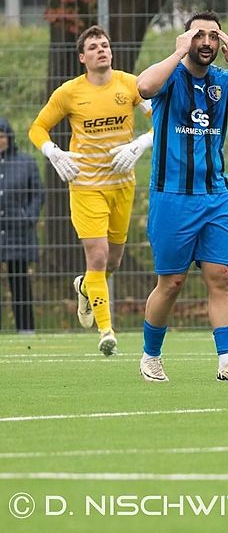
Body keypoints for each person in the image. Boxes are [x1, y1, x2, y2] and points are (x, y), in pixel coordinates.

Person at [136, 11, 228, 383]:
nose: (207, 42)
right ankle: (150, 356)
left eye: (214, 36)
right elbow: (143, 88)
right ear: (187, 39)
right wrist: (176, 53)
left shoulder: (224, 80)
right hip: (172, 196)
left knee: (221, 277)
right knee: (172, 282)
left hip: (216, 196)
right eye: (200, 35)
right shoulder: (170, 77)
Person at [28, 25, 152, 355]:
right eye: (94, 46)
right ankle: (106, 331)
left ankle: (85, 286)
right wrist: (52, 152)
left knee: (113, 261)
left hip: (122, 186)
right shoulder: (69, 93)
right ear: (82, 57)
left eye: (105, 45)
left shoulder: (130, 85)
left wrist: (142, 142)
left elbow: (161, 117)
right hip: (85, 186)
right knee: (96, 257)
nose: (102, 50)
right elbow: (38, 127)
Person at [0, 118, 44, 333]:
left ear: (9, 137)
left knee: (19, 281)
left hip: (18, 232)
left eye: (2, 136)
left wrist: (29, 217)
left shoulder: (25, 162)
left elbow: (37, 193)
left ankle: (26, 329)